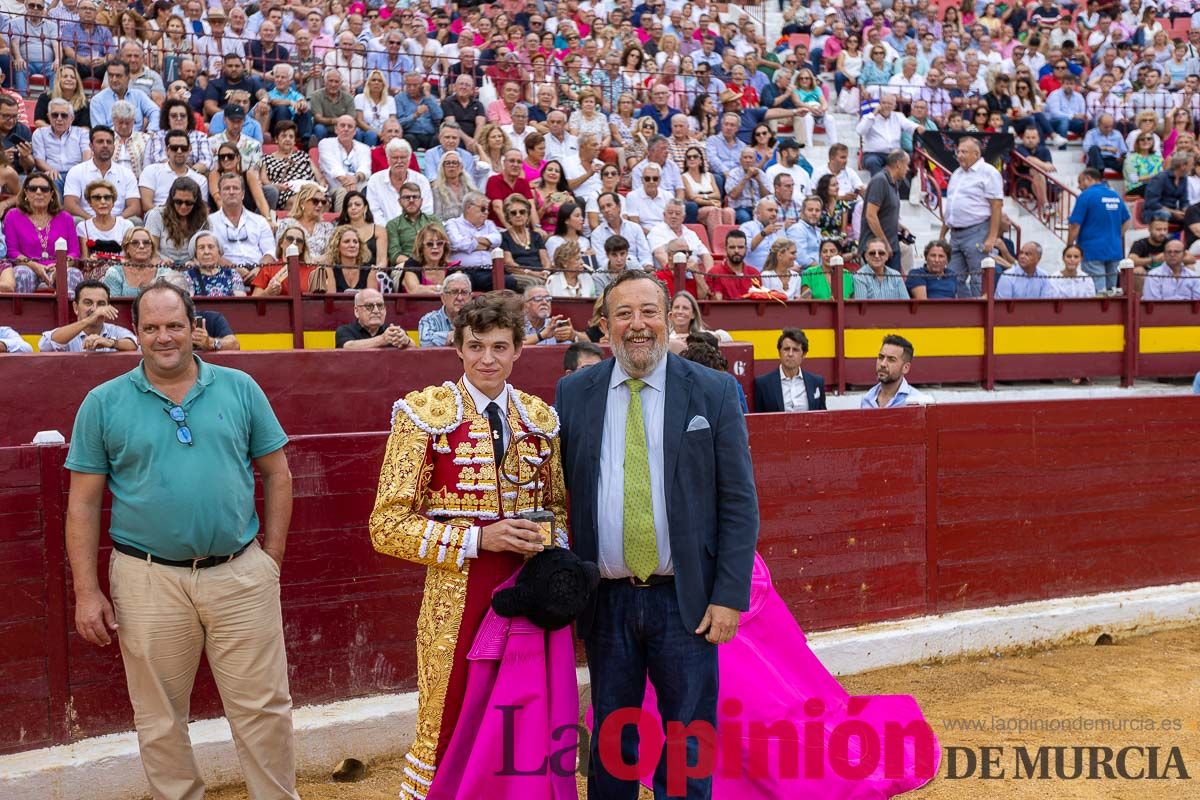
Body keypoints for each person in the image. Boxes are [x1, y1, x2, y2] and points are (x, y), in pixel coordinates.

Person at [65, 279, 298, 800]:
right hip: (147, 579)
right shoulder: (102, 403)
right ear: (137, 332)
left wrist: (270, 560)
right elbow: (82, 502)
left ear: (194, 328)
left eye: (174, 326)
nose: (163, 337)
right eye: (150, 328)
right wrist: (86, 591)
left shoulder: (240, 388)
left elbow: (277, 474)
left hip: (240, 571)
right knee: (159, 717)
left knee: (264, 710)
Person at [555, 269, 758, 798]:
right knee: (611, 741)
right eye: (624, 314)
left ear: (670, 320)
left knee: (689, 740)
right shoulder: (574, 392)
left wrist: (729, 596)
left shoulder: (713, 391)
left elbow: (738, 501)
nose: (638, 325)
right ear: (605, 325)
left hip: (684, 601)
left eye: (649, 312)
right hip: (607, 600)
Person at [369, 293, 572, 799]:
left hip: (529, 592)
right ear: (456, 348)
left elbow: (561, 509)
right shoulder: (423, 415)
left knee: (525, 719)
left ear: (518, 351)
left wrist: (546, 538)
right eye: (476, 346)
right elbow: (386, 524)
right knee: (452, 714)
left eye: (500, 347)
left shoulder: (540, 419)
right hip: (457, 595)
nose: (487, 358)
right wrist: (479, 537)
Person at [940, 138, 1002, 298]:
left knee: (978, 279)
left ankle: (982, 318)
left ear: (976, 153)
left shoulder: (989, 172)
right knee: (952, 278)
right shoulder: (956, 173)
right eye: (958, 151)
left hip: (977, 231)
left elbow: (996, 205)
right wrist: (942, 235)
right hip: (955, 233)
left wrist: (992, 237)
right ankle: (965, 314)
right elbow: (951, 207)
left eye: (964, 152)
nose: (959, 155)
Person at [0, 173, 82, 294]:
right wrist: (35, 266)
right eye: (33, 189)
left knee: (74, 274)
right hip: (28, 267)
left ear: (52, 194)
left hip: (58, 267)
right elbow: (12, 252)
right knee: (21, 273)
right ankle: (23, 313)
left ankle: (69, 313)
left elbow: (74, 252)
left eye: (44, 189)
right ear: (26, 193)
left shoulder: (66, 218)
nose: (39, 192)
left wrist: (61, 267)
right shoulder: (13, 216)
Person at [1066, 168, 1131, 293]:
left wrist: (1069, 246)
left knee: (1097, 293)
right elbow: (1127, 220)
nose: (1079, 187)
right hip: (1115, 250)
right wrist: (1117, 236)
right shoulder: (1114, 194)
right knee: (1111, 293)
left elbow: (1074, 225)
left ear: (1089, 179)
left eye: (1080, 182)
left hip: (1092, 251)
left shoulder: (1086, 196)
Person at [64, 125, 142, 222]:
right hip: (86, 221)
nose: (105, 145)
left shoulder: (126, 173)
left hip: (118, 221)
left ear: (114, 146)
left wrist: (115, 222)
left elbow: (135, 206)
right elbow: (69, 204)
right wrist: (92, 221)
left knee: (136, 221)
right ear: (91, 146)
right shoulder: (76, 171)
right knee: (74, 220)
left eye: (109, 142)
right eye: (100, 141)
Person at [37, 280, 136, 353]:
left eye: (101, 304)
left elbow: (134, 344)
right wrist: (88, 321)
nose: (94, 309)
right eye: (88, 303)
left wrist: (111, 342)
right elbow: (45, 345)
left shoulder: (115, 331)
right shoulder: (67, 333)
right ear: (76, 308)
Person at [446, 191, 513, 292]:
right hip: (464, 271)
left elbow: (497, 240)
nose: (486, 212)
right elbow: (458, 243)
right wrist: (487, 245)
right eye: (483, 209)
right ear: (469, 207)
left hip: (489, 271)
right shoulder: (452, 223)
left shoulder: (489, 224)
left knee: (510, 281)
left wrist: (471, 240)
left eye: (487, 209)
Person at [753, 328, 826, 412]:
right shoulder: (762, 384)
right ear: (779, 353)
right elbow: (757, 420)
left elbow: (823, 418)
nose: (790, 354)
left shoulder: (816, 382)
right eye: (786, 349)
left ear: (804, 354)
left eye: (795, 350)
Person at [861, 149, 908, 274]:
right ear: (898, 164)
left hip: (890, 245)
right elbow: (870, 215)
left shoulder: (894, 183)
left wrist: (900, 227)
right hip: (877, 248)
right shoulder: (880, 180)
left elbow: (884, 214)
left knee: (892, 288)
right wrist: (884, 243)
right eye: (906, 165)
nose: (907, 169)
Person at [145, 176, 209, 266]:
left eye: (188, 203)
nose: (183, 206)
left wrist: (196, 262)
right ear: (171, 200)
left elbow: (207, 249)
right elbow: (150, 249)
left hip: (193, 269)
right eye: (178, 202)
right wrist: (161, 261)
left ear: (196, 202)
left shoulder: (204, 219)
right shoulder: (157, 215)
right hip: (162, 267)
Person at [318, 115, 372, 211]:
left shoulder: (364, 148)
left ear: (355, 132)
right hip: (334, 188)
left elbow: (365, 169)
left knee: (370, 190)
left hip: (358, 185)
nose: (346, 129)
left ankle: (367, 223)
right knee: (344, 192)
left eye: (350, 126)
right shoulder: (325, 144)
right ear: (336, 129)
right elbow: (333, 168)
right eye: (342, 125)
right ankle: (342, 224)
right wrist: (348, 182)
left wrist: (355, 179)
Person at [861, 334, 929, 408]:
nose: (883, 364)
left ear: (905, 368)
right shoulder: (867, 399)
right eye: (881, 357)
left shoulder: (917, 402)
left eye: (891, 360)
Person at [335, 288, 414, 349]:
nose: (376, 311)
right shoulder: (345, 331)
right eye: (369, 306)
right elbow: (348, 346)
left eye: (380, 306)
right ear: (356, 311)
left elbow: (414, 350)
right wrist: (382, 340)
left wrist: (406, 341)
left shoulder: (392, 331)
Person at [385, 183, 442, 267]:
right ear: (400, 201)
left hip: (434, 263)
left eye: (415, 197)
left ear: (421, 201)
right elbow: (394, 255)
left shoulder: (433, 220)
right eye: (406, 197)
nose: (411, 200)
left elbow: (443, 245)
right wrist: (417, 265)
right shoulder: (393, 224)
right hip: (406, 266)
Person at [77, 179, 135, 259]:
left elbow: (130, 258)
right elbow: (84, 259)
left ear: (113, 202)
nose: (103, 201)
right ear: (90, 203)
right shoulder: (83, 227)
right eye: (97, 198)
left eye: (107, 197)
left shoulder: (126, 225)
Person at [103, 227, 170, 296]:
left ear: (152, 248)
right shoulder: (114, 273)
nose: (141, 246)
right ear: (127, 248)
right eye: (135, 243)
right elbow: (113, 304)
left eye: (146, 242)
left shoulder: (164, 272)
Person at [416, 271, 472, 347]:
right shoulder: (429, 319)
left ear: (470, 297)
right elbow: (425, 342)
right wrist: (455, 336)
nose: (460, 298)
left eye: (464, 292)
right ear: (443, 298)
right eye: (454, 292)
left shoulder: (477, 318)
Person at [185, 231, 246, 297]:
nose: (206, 252)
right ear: (195, 253)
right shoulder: (188, 276)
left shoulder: (232, 274)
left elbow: (240, 302)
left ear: (219, 251)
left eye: (211, 247)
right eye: (201, 248)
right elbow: (188, 301)